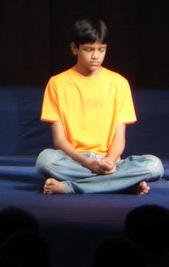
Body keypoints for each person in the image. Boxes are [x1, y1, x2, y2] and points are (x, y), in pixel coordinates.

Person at [36, 17, 163, 195]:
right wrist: (88, 163)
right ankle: (124, 184)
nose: (96, 56)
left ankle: (71, 187)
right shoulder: (57, 83)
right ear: (74, 48)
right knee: (45, 160)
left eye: (101, 49)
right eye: (89, 49)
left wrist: (109, 161)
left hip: (110, 161)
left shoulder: (119, 83)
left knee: (155, 165)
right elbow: (59, 140)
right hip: (74, 161)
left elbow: (120, 137)